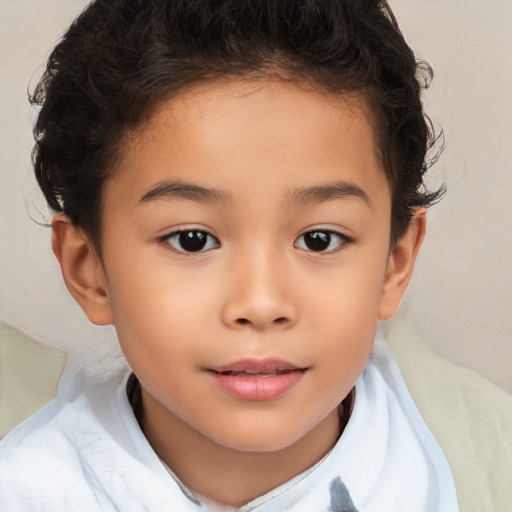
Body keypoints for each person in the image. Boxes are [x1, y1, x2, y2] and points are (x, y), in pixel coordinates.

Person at [0, 0, 460, 510]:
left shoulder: (479, 461)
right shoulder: (31, 491)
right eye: (192, 239)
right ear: (89, 271)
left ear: (395, 263)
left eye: (320, 239)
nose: (261, 304)